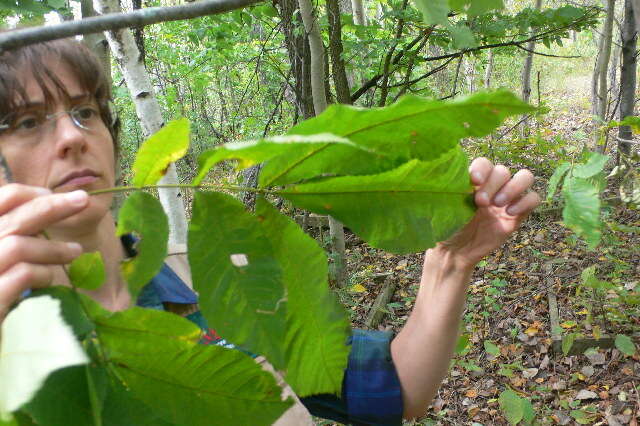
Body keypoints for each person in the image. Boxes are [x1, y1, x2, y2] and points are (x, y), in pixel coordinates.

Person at [0, 38, 541, 425]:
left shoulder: (205, 276)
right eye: (28, 122)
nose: (71, 136)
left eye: (84, 112)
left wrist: (450, 261)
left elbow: (393, 390)